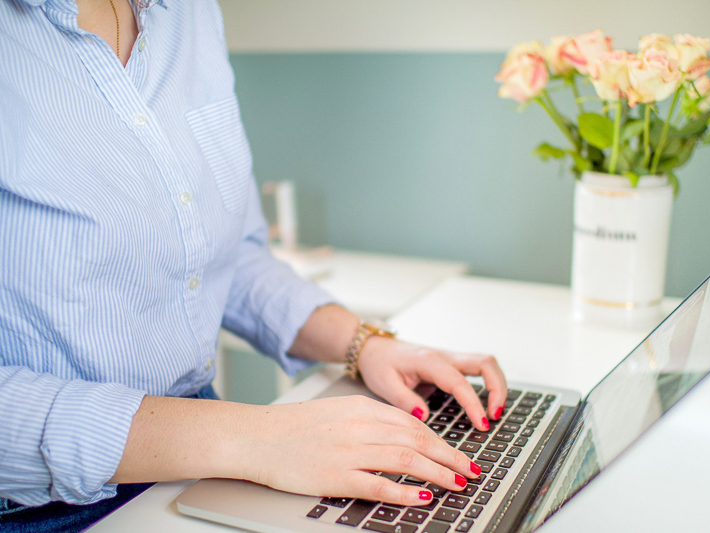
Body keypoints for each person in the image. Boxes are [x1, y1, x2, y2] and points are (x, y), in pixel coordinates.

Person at [0, 0, 508, 530]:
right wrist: (258, 436)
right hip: (45, 508)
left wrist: (365, 343)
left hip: (200, 463)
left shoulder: (190, 14)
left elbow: (228, 256)